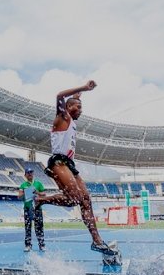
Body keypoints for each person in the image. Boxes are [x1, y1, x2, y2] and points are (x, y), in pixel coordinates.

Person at [35, 80, 117, 255]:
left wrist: (78, 96)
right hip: (59, 162)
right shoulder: (62, 117)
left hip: (70, 164)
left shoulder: (71, 121)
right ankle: (40, 200)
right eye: (78, 108)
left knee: (85, 199)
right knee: (74, 199)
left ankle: (97, 241)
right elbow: (59, 96)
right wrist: (83, 88)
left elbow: (72, 99)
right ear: (69, 107)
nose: (81, 111)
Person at [18, 167, 46, 252]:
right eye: (28, 172)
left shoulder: (38, 183)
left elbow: (44, 194)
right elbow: (19, 196)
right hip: (27, 208)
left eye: (31, 172)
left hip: (37, 208)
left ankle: (41, 245)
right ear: (25, 175)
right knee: (28, 227)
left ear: (33, 174)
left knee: (39, 227)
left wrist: (37, 192)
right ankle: (28, 245)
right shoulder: (23, 185)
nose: (30, 174)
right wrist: (27, 192)